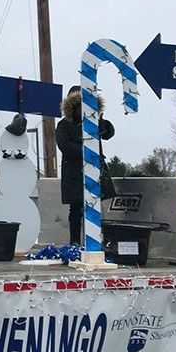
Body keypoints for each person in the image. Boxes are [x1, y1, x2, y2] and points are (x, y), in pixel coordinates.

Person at [56, 85, 117, 245]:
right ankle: (75, 243)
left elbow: (109, 134)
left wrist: (103, 123)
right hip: (75, 173)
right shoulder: (64, 125)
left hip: (95, 171)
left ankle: (97, 243)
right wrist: (87, 150)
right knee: (76, 210)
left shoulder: (93, 122)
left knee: (94, 208)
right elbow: (65, 146)